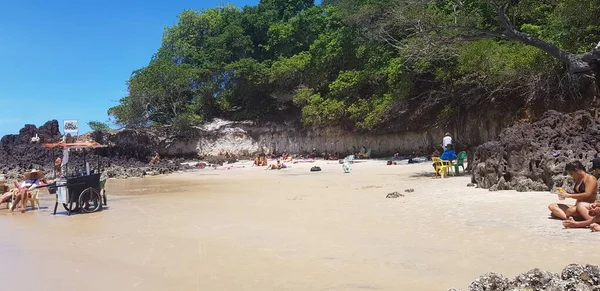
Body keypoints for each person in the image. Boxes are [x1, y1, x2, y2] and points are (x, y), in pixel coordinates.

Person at [560, 158, 600, 229]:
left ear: (576, 171)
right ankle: (574, 219)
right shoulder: (578, 179)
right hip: (586, 205)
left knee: (575, 208)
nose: (597, 172)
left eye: (571, 173)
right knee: (553, 207)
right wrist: (597, 204)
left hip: (585, 205)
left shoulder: (590, 178)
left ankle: (590, 221)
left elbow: (588, 194)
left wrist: (569, 195)